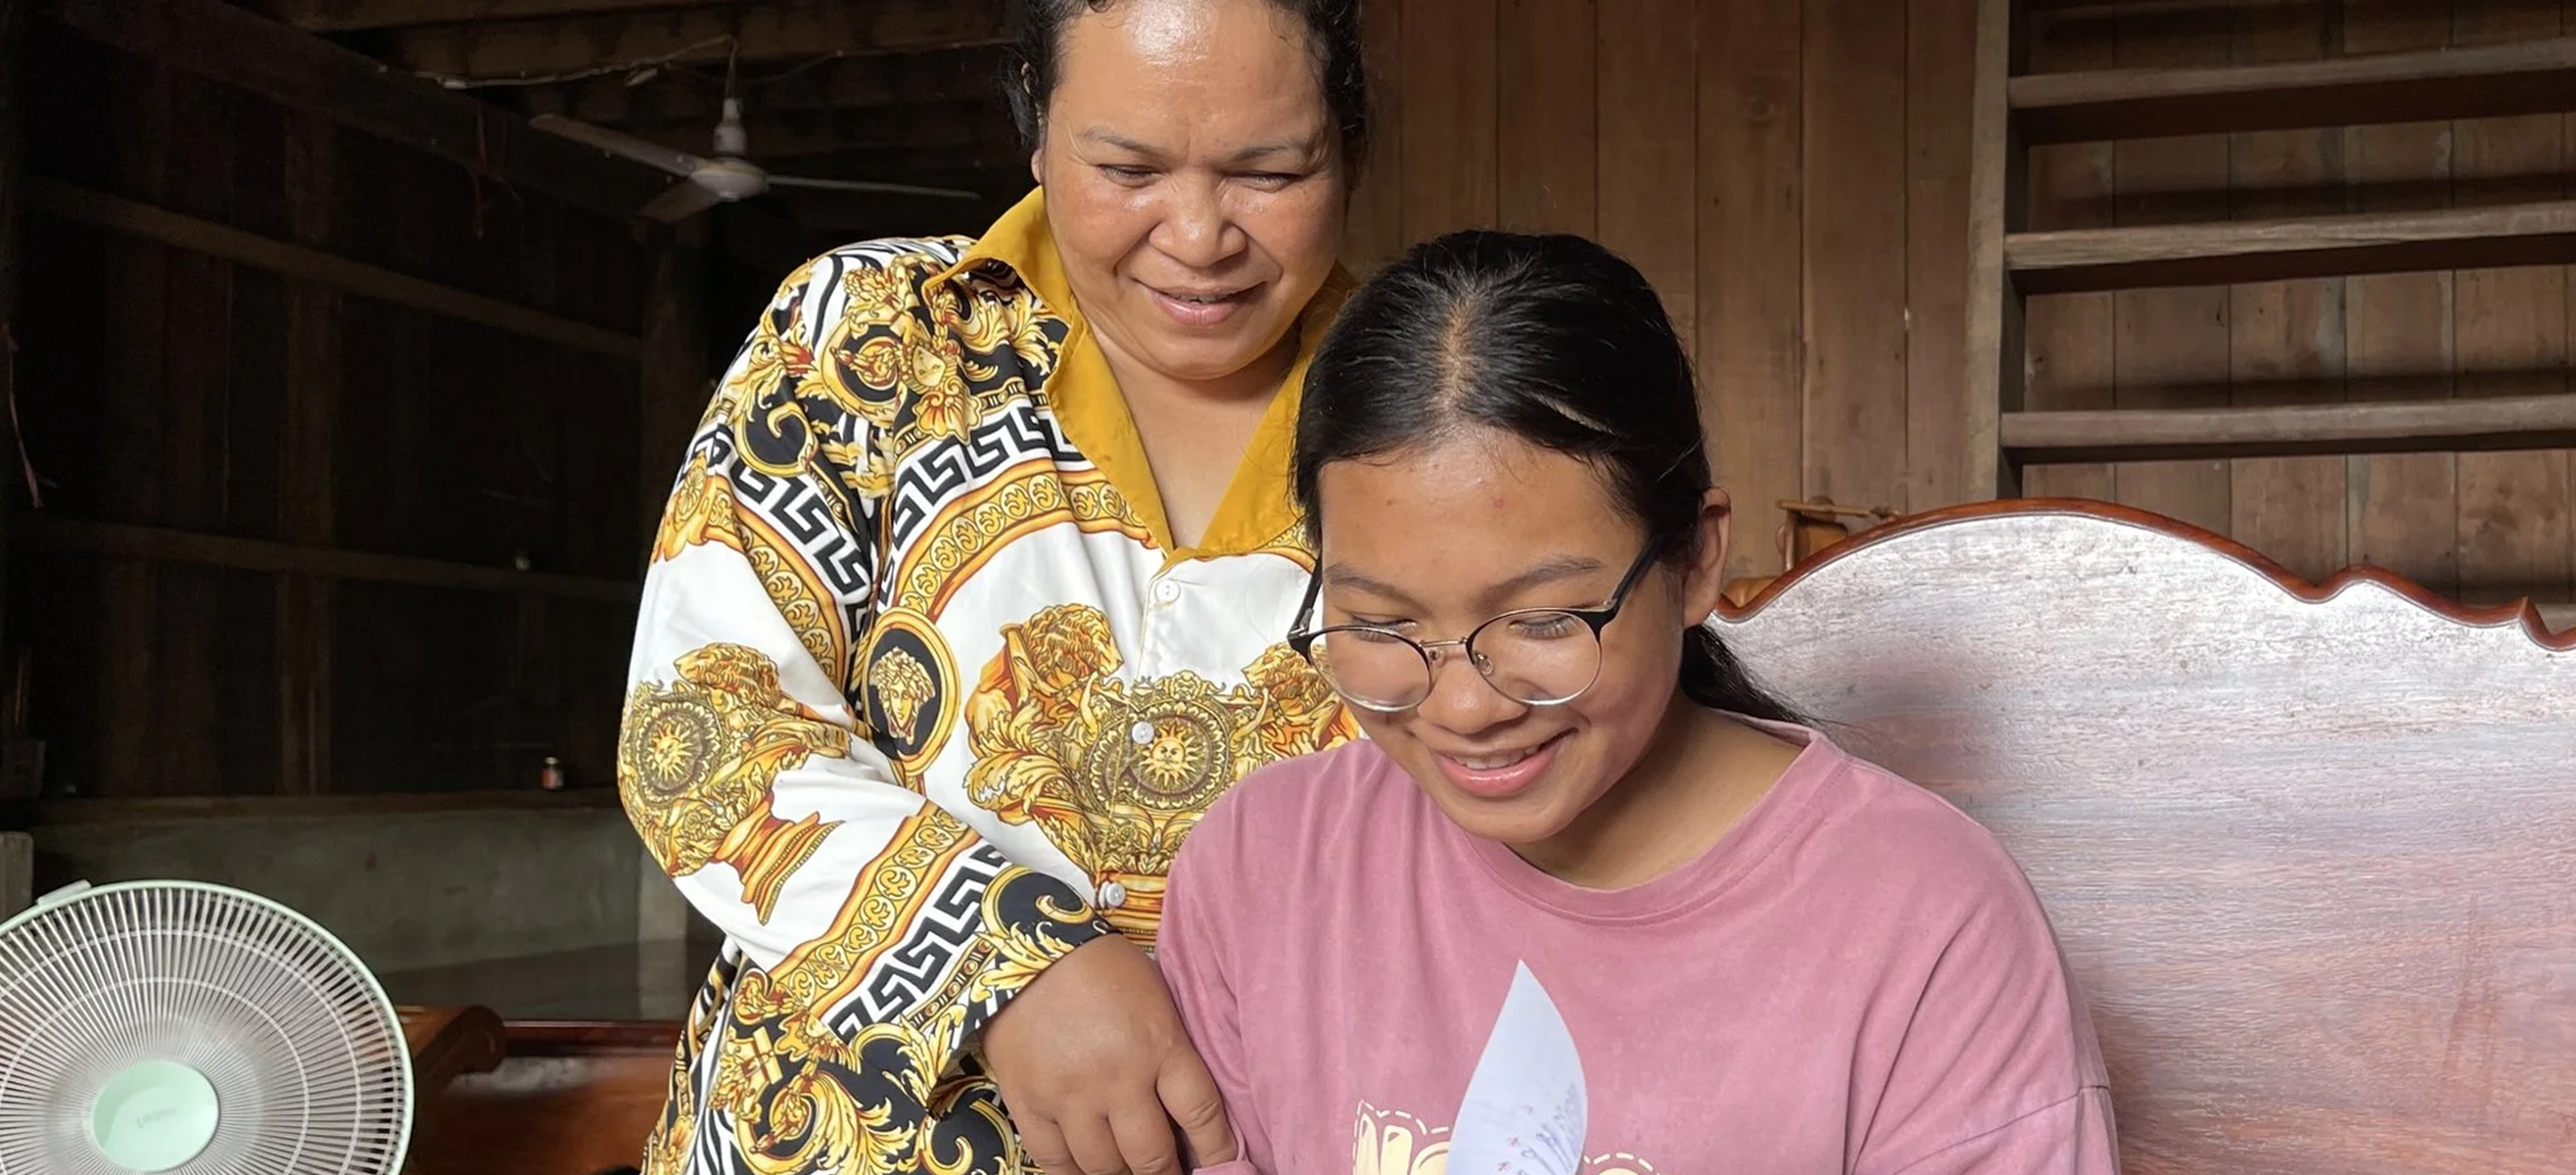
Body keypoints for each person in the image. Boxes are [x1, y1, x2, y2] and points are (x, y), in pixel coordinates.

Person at [1153, 230, 2117, 1173]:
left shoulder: (1923, 924)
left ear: (1695, 559)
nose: (1461, 705)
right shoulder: (1261, 873)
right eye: (1378, 623)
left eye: (1540, 620)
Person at [614, 1, 1367, 1171]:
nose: (1198, 234)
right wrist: (1006, 961)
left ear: (1348, 149)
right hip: (827, 1136)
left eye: (1267, 170)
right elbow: (701, 731)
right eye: (1126, 168)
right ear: (1035, 134)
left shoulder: (1420, 405)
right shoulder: (872, 339)